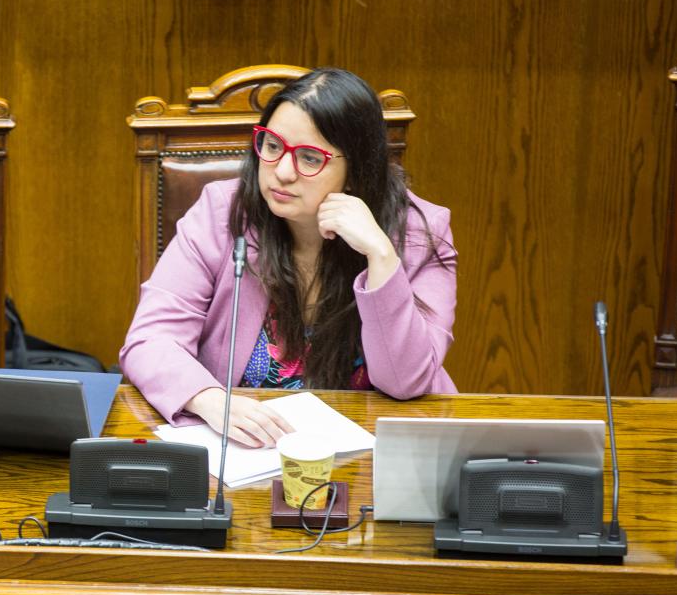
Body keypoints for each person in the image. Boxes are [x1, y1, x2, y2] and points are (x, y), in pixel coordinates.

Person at [120, 67, 457, 448]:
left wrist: (381, 258)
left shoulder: (419, 233)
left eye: (310, 158)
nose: (281, 172)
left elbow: (406, 381)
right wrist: (209, 400)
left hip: (378, 450)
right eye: (273, 145)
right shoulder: (222, 213)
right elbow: (149, 341)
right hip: (248, 450)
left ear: (356, 170)